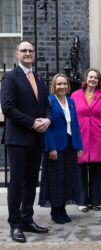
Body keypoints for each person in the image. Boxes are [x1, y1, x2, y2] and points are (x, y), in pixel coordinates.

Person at [1, 40, 51, 243]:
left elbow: (46, 104)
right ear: (17, 54)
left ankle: (27, 219)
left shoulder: (39, 78)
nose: (28, 53)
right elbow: (8, 108)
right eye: (24, 50)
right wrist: (32, 123)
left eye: (31, 50)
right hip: (19, 139)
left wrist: (47, 120)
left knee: (31, 182)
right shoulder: (10, 77)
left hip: (36, 139)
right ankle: (15, 224)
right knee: (17, 183)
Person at [38, 73, 83, 224]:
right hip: (55, 147)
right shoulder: (49, 101)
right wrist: (51, 148)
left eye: (64, 84)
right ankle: (55, 210)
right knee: (56, 179)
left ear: (68, 86)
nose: (62, 87)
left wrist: (78, 145)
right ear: (54, 86)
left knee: (68, 178)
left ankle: (62, 208)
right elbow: (47, 128)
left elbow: (75, 124)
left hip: (70, 145)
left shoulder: (71, 102)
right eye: (59, 84)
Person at [71, 68, 101, 212]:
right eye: (90, 77)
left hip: (98, 137)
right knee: (80, 170)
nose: (93, 80)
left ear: (99, 81)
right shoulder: (75, 95)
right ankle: (81, 201)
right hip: (80, 136)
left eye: (96, 77)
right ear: (86, 78)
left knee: (96, 171)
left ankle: (96, 201)